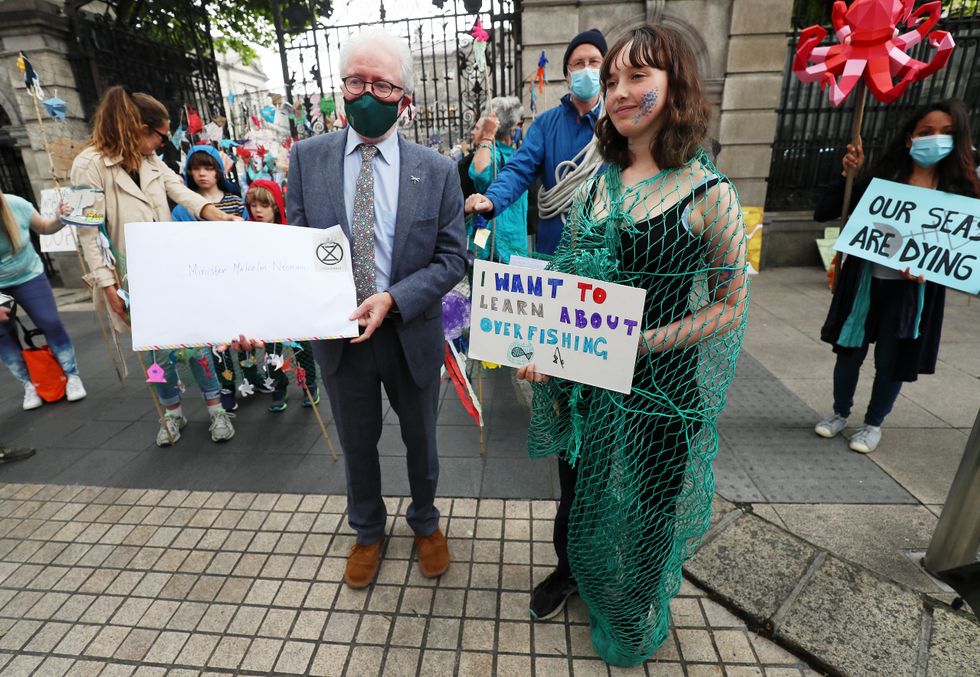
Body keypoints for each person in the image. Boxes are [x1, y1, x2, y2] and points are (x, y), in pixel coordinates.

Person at [517, 25, 749, 666]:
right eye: (612, 78)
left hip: (661, 388)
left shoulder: (711, 195)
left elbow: (730, 307)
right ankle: (575, 572)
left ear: (677, 87)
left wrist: (641, 343)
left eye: (636, 77)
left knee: (649, 503)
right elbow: (565, 279)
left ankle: (634, 601)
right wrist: (539, 341)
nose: (618, 91)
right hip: (585, 381)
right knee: (578, 489)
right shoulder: (597, 183)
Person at [287, 29, 466, 589]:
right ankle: (366, 530)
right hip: (339, 334)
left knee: (422, 440)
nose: (366, 92)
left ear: (403, 95)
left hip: (409, 331)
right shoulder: (306, 158)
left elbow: (452, 258)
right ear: (341, 88)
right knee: (356, 441)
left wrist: (394, 298)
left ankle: (426, 522)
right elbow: (293, 244)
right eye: (356, 81)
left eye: (381, 83)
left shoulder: (435, 170)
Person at [70, 86, 241, 447]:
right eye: (160, 135)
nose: (163, 143)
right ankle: (171, 413)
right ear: (139, 128)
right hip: (128, 277)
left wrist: (214, 214)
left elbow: (180, 191)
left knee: (198, 342)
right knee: (154, 351)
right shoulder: (86, 165)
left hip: (170, 268)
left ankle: (217, 410)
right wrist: (107, 286)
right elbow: (86, 233)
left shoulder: (149, 161)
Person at [813, 99, 979, 453]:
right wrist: (848, 176)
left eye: (947, 134)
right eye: (926, 132)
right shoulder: (881, 181)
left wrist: (931, 273)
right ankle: (839, 412)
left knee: (892, 359)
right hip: (865, 286)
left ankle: (873, 424)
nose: (936, 140)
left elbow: (963, 259)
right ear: (909, 138)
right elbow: (825, 211)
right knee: (849, 351)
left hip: (913, 295)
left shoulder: (961, 197)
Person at [465, 28, 608, 255]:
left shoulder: (616, 124)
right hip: (553, 245)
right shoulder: (544, 124)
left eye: (594, 62)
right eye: (578, 63)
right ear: (567, 74)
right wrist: (492, 198)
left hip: (603, 246)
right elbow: (520, 169)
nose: (587, 69)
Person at [173, 145, 266, 411]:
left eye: (208, 167)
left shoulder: (236, 200)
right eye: (196, 168)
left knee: (242, 332)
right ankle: (226, 387)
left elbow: (250, 236)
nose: (202, 174)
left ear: (217, 171)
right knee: (217, 338)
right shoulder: (183, 208)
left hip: (236, 277)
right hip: (203, 280)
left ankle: (251, 376)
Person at [0, 192, 86, 409]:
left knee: (50, 322)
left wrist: (60, 218)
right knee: (2, 334)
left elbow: (45, 228)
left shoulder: (16, 204)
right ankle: (30, 384)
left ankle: (71, 376)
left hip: (29, 275)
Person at [243, 179, 320, 411]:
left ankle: (309, 384)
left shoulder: (289, 231)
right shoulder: (244, 234)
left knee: (301, 345)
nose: (257, 210)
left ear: (275, 205)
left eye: (264, 205)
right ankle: (278, 384)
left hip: (291, 299)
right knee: (271, 348)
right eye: (253, 205)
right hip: (263, 301)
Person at [468, 96, 529, 263]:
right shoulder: (492, 153)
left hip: (514, 248)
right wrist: (487, 136)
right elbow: (479, 174)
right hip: (492, 250)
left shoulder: (521, 156)